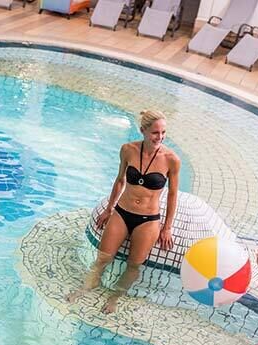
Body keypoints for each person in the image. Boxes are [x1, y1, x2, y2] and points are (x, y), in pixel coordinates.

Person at [68, 110, 181, 314]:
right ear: (143, 131)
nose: (160, 137)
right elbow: (120, 180)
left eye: (163, 132)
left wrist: (167, 227)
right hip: (122, 212)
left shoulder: (171, 159)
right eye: (155, 132)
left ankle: (115, 298)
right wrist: (109, 208)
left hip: (148, 219)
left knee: (133, 265)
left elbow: (173, 194)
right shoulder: (128, 150)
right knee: (103, 258)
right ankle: (87, 286)